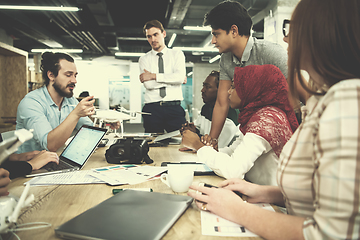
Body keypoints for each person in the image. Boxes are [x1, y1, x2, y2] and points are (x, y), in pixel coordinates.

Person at [188, 0, 360, 239]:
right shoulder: (326, 104)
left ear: (322, 37)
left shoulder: (344, 103)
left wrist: (237, 210)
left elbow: (331, 234)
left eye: (292, 30)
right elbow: (317, 191)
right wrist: (263, 192)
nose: (287, 40)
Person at [182, 65, 298, 185]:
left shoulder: (266, 120)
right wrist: (208, 149)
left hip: (273, 201)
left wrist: (198, 146)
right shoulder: (257, 115)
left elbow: (234, 171)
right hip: (255, 191)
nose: (229, 91)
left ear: (251, 89)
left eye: (233, 87)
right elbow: (234, 151)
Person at [203, 0, 289, 143]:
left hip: (278, 132)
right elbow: (221, 102)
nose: (213, 41)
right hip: (250, 129)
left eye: (216, 34)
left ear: (234, 31)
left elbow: (296, 95)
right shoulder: (226, 59)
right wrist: (211, 142)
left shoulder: (271, 53)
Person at [16, 52, 118, 153]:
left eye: (75, 75)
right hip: (31, 166)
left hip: (57, 160)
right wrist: (76, 114)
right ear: (51, 75)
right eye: (68, 75)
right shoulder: (31, 103)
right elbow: (50, 145)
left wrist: (105, 124)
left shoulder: (70, 100)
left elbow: (88, 129)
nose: (74, 81)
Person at [139, 20, 187, 133]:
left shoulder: (177, 54)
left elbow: (179, 77)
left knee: (180, 142)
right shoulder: (144, 59)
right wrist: (173, 79)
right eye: (149, 36)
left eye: (156, 34)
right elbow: (148, 84)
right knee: (152, 144)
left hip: (174, 107)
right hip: (152, 108)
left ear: (163, 34)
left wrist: (153, 76)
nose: (153, 40)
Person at [180, 70, 239, 150]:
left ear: (221, 91)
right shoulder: (206, 108)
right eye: (203, 86)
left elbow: (218, 145)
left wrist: (195, 140)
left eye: (208, 87)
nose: (202, 90)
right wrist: (192, 130)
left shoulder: (231, 113)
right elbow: (200, 128)